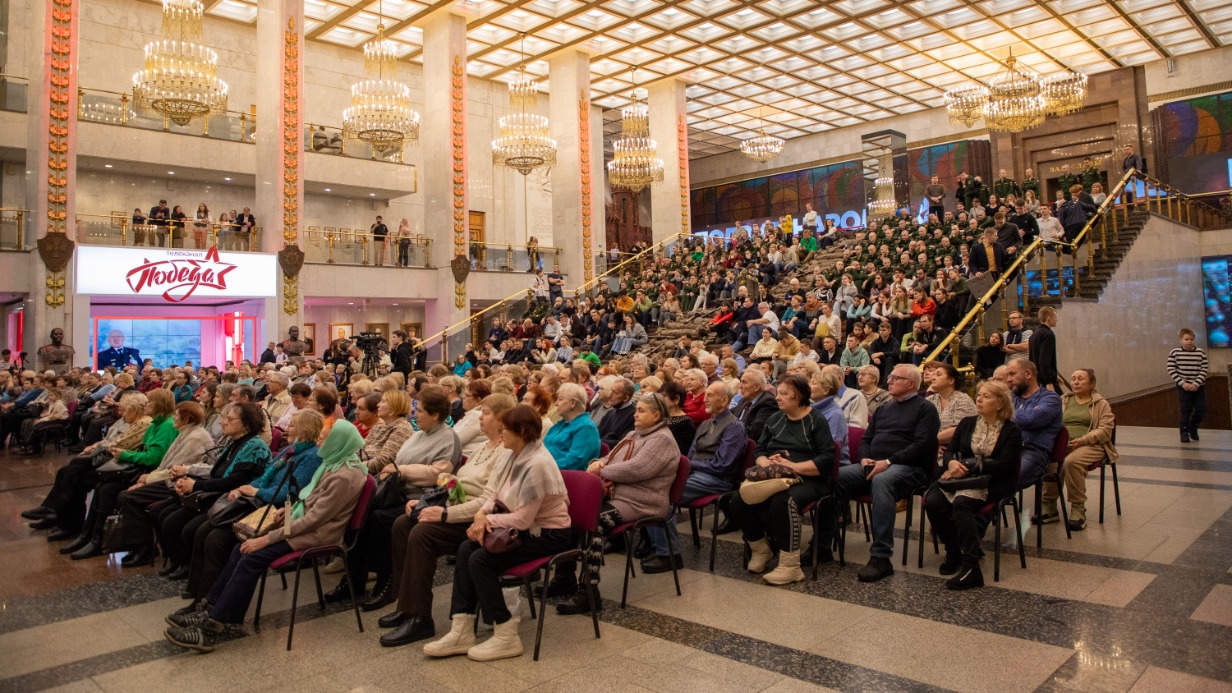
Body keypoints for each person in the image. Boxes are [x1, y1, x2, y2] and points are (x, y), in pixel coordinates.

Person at [163, 420, 367, 654]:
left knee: (252, 555)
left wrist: (268, 539)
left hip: (318, 536)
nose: (318, 441)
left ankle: (210, 628)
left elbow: (315, 520)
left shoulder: (344, 475)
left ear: (338, 442)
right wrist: (288, 511)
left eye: (324, 438)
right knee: (240, 548)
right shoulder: (334, 464)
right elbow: (310, 502)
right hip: (306, 526)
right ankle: (212, 608)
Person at [422, 405, 571, 661]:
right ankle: (462, 628)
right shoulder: (514, 454)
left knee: (481, 560)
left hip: (547, 534)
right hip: (519, 526)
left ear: (521, 431)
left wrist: (487, 518)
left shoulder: (537, 463)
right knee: (466, 548)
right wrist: (481, 515)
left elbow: (523, 521)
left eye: (505, 430)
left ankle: (506, 634)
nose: (500, 434)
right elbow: (494, 495)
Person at [376, 393, 518, 643]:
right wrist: (424, 503)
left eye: (485, 413)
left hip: (480, 519)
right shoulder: (484, 447)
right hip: (460, 509)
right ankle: (406, 605)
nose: (479, 418)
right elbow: (459, 486)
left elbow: (489, 501)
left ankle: (420, 619)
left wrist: (444, 513)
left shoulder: (505, 452)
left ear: (502, 419)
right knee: (403, 523)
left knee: (422, 533)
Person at [179, 409, 324, 608]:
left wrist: (254, 492)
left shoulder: (311, 456)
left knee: (217, 539)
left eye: (292, 425)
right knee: (203, 529)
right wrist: (243, 490)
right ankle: (197, 591)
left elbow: (289, 494)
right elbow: (265, 476)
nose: (285, 428)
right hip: (262, 501)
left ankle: (207, 600)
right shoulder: (291, 449)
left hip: (277, 511)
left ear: (304, 429)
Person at [552, 392, 679, 615]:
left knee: (594, 522)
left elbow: (639, 468)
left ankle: (589, 592)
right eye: (636, 409)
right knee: (570, 514)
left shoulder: (662, 439)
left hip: (642, 501)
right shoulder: (634, 434)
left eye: (641, 411)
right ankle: (565, 576)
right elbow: (609, 458)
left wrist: (602, 470)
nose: (635, 414)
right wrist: (597, 463)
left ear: (657, 415)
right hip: (619, 496)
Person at [821, 364, 940, 582]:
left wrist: (888, 461)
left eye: (896, 378)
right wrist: (863, 458)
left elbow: (923, 445)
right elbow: (867, 438)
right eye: (891, 376)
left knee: (883, 481)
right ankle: (822, 545)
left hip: (910, 468)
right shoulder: (885, 408)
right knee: (834, 477)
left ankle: (881, 557)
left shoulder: (925, 409)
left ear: (911, 384)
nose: (890, 381)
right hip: (873, 463)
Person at [344, 385, 462, 603]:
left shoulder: (448, 438)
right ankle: (353, 577)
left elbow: (439, 474)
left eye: (421, 412)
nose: (415, 415)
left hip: (423, 497)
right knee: (361, 514)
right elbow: (397, 461)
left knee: (380, 519)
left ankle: (387, 579)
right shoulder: (419, 435)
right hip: (398, 493)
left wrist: (402, 471)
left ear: (435, 415)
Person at [731, 375, 836, 585]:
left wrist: (794, 467)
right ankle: (761, 549)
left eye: (784, 394)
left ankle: (790, 566)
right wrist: (765, 464)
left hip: (808, 478)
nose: (778, 398)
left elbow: (826, 458)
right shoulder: (775, 418)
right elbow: (760, 449)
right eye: (778, 393)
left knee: (783, 501)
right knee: (739, 499)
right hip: (775, 475)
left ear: (799, 397)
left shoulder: (816, 420)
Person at [151, 401, 270, 577]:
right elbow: (216, 472)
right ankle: (179, 562)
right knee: (160, 512)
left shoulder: (254, 446)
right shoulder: (235, 442)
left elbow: (233, 481)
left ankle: (188, 566)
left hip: (234, 502)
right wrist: (188, 478)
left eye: (230, 419)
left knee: (181, 525)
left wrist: (194, 485)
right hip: (218, 494)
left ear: (246, 424)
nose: (224, 422)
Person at [923, 380, 1022, 589]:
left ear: (1000, 403)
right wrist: (951, 462)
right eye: (979, 395)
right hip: (962, 476)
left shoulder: (1011, 430)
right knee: (932, 502)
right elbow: (950, 450)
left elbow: (1005, 464)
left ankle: (972, 567)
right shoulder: (967, 423)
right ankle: (953, 551)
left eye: (986, 396)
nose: (979, 399)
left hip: (994, 481)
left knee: (961, 502)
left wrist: (967, 465)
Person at [643, 382, 747, 573]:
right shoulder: (706, 424)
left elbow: (722, 466)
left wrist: (689, 466)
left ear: (724, 400)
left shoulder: (734, 426)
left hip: (717, 480)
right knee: (650, 490)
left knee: (661, 497)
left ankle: (669, 555)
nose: (704, 398)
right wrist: (685, 468)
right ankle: (658, 547)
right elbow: (690, 455)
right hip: (697, 474)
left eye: (710, 395)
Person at [64, 389, 180, 560]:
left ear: (159, 405)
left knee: (109, 490)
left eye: (150, 402)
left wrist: (124, 454)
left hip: (151, 472)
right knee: (101, 485)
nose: (146, 405)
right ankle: (88, 535)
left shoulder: (166, 426)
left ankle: (100, 539)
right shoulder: (156, 424)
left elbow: (154, 459)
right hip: (140, 468)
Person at [113, 401, 214, 567]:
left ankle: (143, 550)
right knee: (119, 492)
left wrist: (148, 479)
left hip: (177, 482)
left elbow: (177, 468)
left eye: (177, 414)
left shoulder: (196, 436)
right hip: (168, 477)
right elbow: (168, 464)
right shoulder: (184, 432)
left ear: (187, 418)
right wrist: (150, 477)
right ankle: (142, 548)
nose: (174, 417)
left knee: (128, 497)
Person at [1042, 369, 1117, 532]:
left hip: (1092, 445)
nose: (1075, 382)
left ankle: (1078, 509)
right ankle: (1049, 506)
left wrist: (1083, 440)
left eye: (1080, 379)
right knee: (1051, 460)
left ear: (1091, 384)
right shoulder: (1063, 400)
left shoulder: (1101, 404)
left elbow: (1105, 430)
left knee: (1071, 462)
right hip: (1064, 444)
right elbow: (1051, 422)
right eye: (1073, 379)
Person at [1007, 359, 1062, 498]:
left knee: (1005, 481)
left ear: (1028, 373)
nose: (1008, 379)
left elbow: (1032, 418)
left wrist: (1003, 413)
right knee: (978, 475)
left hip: (1034, 452)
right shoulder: (1012, 397)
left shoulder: (1051, 398)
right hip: (1008, 448)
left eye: (1012, 374)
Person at [543, 383, 601, 471]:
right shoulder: (561, 423)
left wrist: (541, 467)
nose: (556, 403)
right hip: (548, 470)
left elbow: (573, 462)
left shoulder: (586, 428)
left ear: (573, 403)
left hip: (563, 476)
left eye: (560, 399)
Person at [1167, 328, 1208, 443]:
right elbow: (1171, 369)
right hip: (1183, 386)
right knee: (1186, 410)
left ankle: (1193, 427)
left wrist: (1196, 383)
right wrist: (1183, 383)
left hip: (1198, 386)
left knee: (1201, 409)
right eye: (1186, 339)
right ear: (1181, 340)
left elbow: (1204, 369)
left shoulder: (1200, 352)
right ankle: (1184, 432)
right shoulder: (1175, 353)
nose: (1189, 341)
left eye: (1191, 339)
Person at [925, 362, 978, 447]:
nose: (933, 378)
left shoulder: (963, 400)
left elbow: (958, 430)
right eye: (933, 375)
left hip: (955, 451)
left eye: (938, 375)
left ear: (951, 380)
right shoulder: (929, 400)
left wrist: (929, 442)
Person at [593, 377, 636, 448]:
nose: (609, 395)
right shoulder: (610, 413)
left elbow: (623, 443)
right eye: (611, 391)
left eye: (615, 393)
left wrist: (597, 442)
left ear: (626, 398)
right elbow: (596, 434)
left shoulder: (634, 416)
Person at [1028, 306, 1062, 392]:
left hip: (1036, 377)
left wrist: (1055, 376)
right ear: (1049, 318)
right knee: (1060, 402)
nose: (1056, 320)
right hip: (1045, 380)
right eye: (1055, 317)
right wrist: (1049, 382)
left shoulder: (1035, 333)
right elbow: (1044, 360)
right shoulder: (1048, 334)